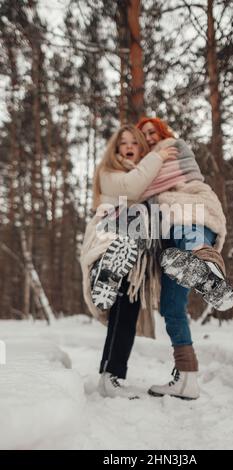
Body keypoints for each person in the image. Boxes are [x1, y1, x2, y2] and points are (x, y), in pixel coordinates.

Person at [135, 116, 233, 399]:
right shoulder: (145, 163)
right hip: (170, 246)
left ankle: (209, 270)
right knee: (171, 307)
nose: (150, 137)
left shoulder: (174, 146)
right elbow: (139, 191)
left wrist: (151, 166)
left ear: (162, 131)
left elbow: (180, 178)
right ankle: (187, 379)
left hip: (192, 205)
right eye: (145, 135)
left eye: (153, 131)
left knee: (185, 226)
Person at [80, 124, 177, 398]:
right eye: (123, 142)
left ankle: (110, 376)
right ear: (116, 148)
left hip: (134, 254)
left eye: (133, 141)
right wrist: (158, 156)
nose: (128, 146)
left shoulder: (142, 174)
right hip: (109, 237)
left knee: (126, 312)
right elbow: (133, 188)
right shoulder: (109, 173)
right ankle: (106, 273)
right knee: (123, 309)